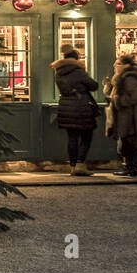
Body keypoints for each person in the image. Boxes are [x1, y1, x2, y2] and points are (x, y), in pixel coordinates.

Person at [52, 43, 98, 176]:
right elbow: (93, 85)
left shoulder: (58, 72)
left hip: (66, 107)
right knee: (86, 136)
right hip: (82, 107)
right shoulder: (78, 71)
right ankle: (80, 164)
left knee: (72, 138)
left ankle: (72, 166)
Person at [106, 54, 137, 177]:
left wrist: (118, 100)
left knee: (130, 143)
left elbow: (136, 96)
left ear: (127, 65)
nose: (115, 65)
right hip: (128, 116)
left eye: (118, 63)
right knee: (127, 142)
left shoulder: (129, 79)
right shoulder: (123, 78)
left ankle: (131, 168)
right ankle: (130, 167)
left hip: (132, 118)